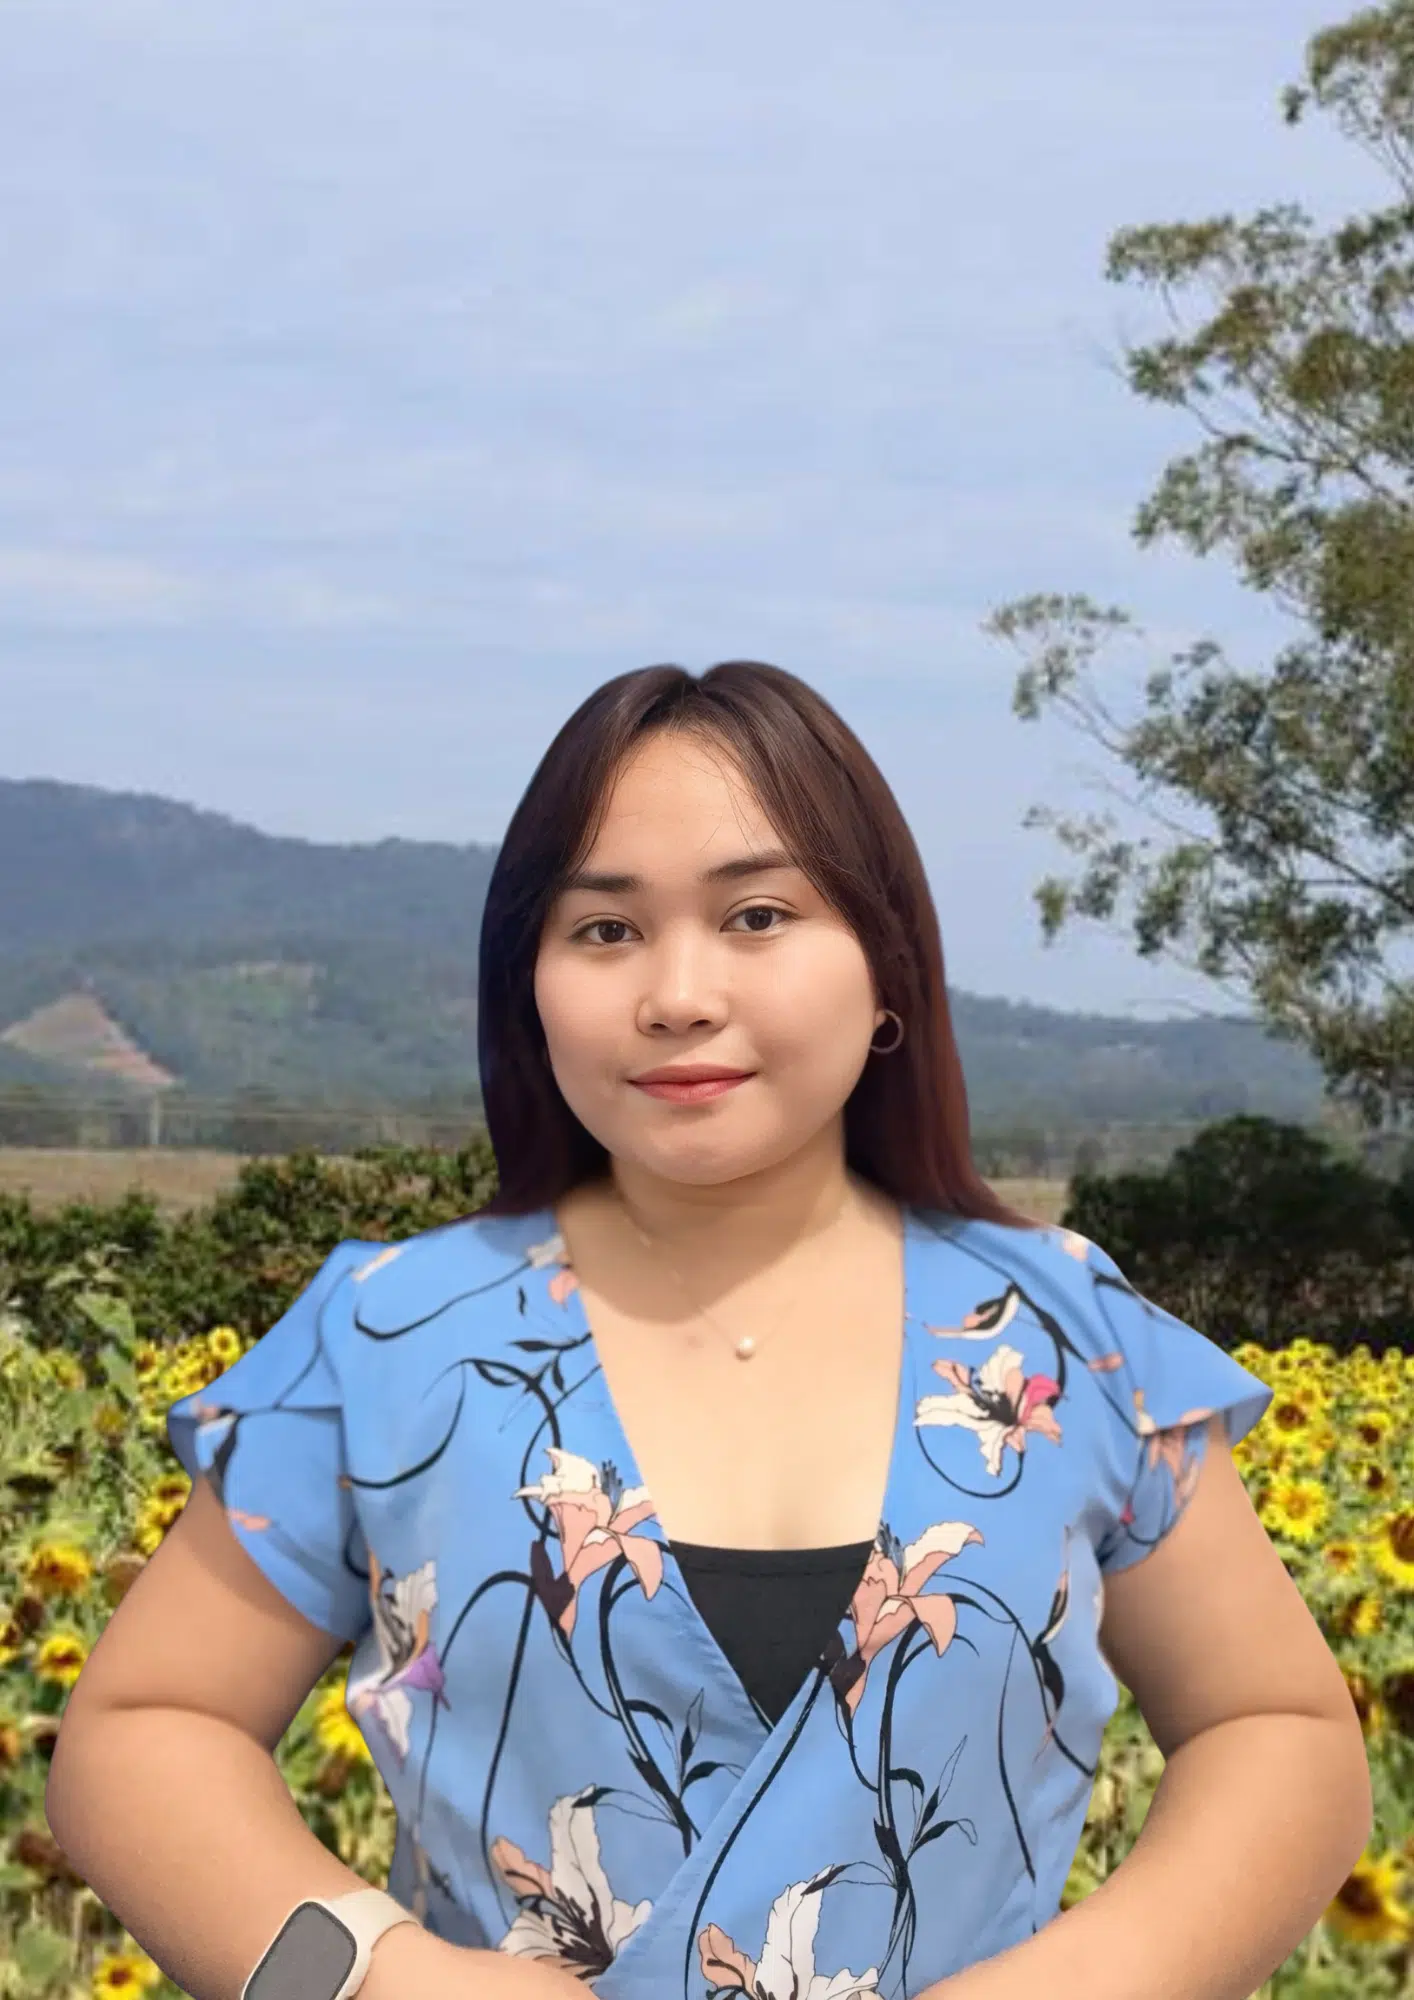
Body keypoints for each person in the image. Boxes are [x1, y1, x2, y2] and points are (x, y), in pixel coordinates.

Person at [47, 661, 1365, 2000]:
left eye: (757, 915)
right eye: (605, 930)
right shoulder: (390, 1340)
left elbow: (1277, 1730)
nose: (677, 993)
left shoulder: (1067, 1339)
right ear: (528, 987)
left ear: (887, 969)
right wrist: (379, 1975)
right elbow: (147, 1729)